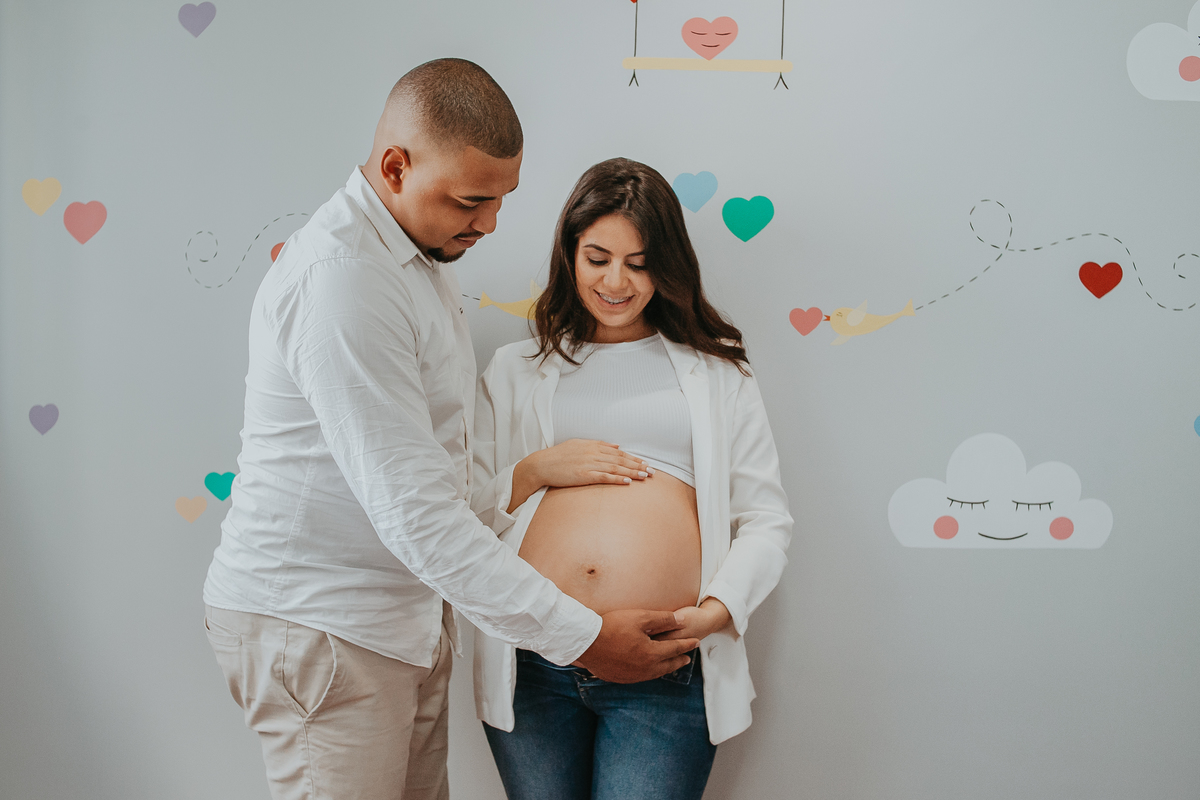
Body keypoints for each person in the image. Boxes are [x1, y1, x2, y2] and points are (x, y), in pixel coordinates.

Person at [200, 62, 698, 800]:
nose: (490, 223)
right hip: (326, 626)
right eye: (471, 200)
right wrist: (585, 640)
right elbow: (418, 515)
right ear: (396, 167)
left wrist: (525, 480)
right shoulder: (345, 282)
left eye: (502, 200)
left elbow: (437, 471)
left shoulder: (418, 260)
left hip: (395, 623)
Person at [472, 157, 794, 800]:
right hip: (537, 663)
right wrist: (539, 469)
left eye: (639, 262)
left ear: (665, 264)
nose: (616, 281)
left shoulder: (718, 373)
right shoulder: (513, 370)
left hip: (664, 667)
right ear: (569, 253)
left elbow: (764, 518)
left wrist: (715, 613)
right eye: (597, 257)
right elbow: (462, 512)